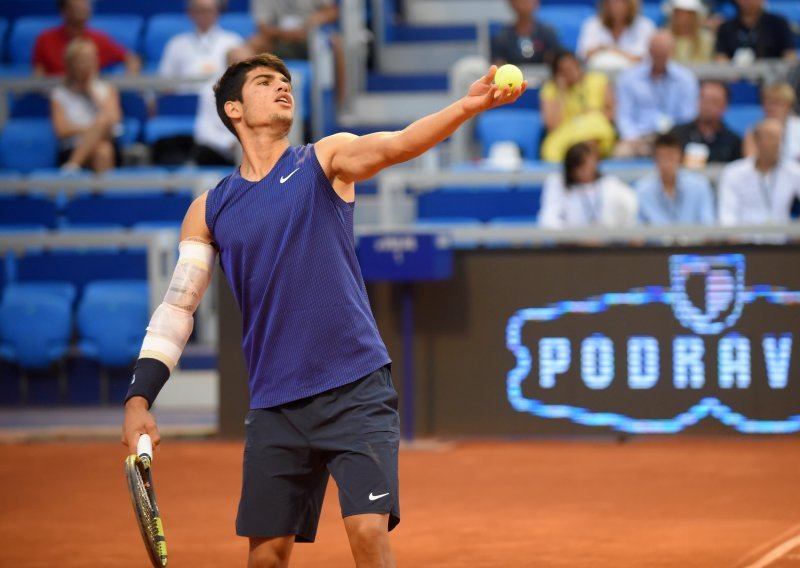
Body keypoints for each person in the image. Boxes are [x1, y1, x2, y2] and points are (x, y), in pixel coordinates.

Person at [121, 53, 526, 567]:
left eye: (286, 81)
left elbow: (397, 144)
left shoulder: (324, 159)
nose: (282, 88)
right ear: (234, 110)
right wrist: (140, 398)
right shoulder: (210, 209)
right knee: (266, 556)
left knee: (367, 534)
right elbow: (178, 308)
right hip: (275, 405)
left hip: (354, 387)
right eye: (266, 83)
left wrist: (465, 108)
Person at [614, 30, 699, 157]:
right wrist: (632, 137)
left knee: (693, 153)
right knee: (621, 153)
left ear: (672, 51)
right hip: (639, 138)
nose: (659, 58)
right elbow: (624, 116)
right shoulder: (629, 78)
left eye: (663, 54)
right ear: (649, 50)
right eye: (656, 53)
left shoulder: (686, 79)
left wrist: (673, 138)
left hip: (674, 138)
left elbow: (688, 116)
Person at [50, 38, 122, 173]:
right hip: (72, 147)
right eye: (84, 59)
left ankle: (71, 168)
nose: (90, 63)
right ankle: (73, 165)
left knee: (103, 149)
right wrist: (94, 130)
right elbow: (61, 130)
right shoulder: (59, 93)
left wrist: (91, 91)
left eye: (92, 57)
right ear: (71, 63)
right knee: (102, 141)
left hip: (106, 143)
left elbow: (113, 121)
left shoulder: (107, 89)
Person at [718, 118, 800, 225]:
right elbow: (726, 215)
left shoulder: (793, 171)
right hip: (744, 238)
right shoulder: (734, 172)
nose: (776, 143)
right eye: (771, 137)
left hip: (783, 238)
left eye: (780, 138)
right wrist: (733, 238)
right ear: (756, 140)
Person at [539, 50, 616, 162]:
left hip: (594, 131)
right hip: (565, 135)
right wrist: (561, 93)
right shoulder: (551, 89)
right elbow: (551, 126)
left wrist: (593, 115)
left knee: (592, 135)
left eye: (573, 67)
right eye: (565, 70)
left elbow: (613, 113)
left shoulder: (599, 80)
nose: (571, 72)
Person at [538, 141, 638, 228]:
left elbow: (630, 209)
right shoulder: (558, 183)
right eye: (580, 166)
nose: (586, 171)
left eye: (590, 164)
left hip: (605, 245)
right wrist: (576, 238)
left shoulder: (611, 185)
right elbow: (548, 221)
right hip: (569, 246)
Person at [33, 0, 141, 76]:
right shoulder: (45, 39)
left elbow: (132, 59)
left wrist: (127, 85)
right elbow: (38, 75)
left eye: (85, 4)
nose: (83, 7)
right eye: (77, 5)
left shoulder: (99, 39)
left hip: (90, 99)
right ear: (64, 11)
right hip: (55, 96)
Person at [635, 132, 715, 224]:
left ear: (680, 157)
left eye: (671, 157)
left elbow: (708, 225)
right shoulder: (642, 190)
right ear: (655, 159)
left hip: (693, 238)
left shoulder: (700, 186)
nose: (666, 163)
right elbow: (638, 232)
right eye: (662, 157)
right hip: (656, 238)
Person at [158, 0, 244, 86]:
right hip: (186, 96)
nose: (204, 15)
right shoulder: (176, 44)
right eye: (199, 11)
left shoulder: (233, 41)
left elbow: (241, 80)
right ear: (190, 13)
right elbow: (165, 82)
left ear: (218, 12)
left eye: (209, 10)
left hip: (222, 97)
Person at [670, 80, 741, 167]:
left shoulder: (734, 142)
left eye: (714, 101)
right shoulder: (677, 135)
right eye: (704, 99)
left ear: (725, 106)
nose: (707, 106)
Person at [576, 0, 656, 72]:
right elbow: (585, 55)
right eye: (611, 1)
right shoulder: (592, 24)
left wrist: (607, 49)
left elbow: (640, 59)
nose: (615, 5)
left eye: (621, 2)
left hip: (634, 80)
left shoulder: (645, 26)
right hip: (598, 77)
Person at [714, 0, 796, 63]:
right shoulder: (726, 28)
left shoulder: (778, 24)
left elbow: (789, 56)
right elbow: (721, 58)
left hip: (772, 77)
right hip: (734, 79)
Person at [491, 0, 562, 66]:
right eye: (520, 1)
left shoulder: (548, 33)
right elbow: (498, 65)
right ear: (511, 3)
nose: (525, 4)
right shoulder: (502, 37)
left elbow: (557, 61)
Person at [743, 83, 800, 163]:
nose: (770, 107)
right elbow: (750, 162)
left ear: (789, 105)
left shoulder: (798, 126)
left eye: (776, 103)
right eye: (767, 102)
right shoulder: (754, 129)